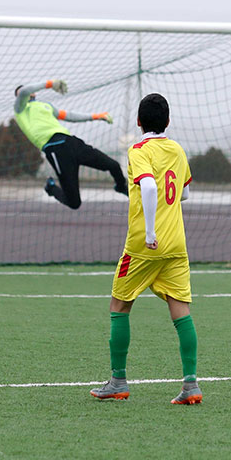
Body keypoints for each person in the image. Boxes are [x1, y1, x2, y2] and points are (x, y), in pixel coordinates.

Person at [89, 93, 201, 404]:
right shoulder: (177, 150)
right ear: (168, 121)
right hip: (176, 243)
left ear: (139, 122)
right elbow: (186, 194)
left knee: (119, 305)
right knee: (180, 308)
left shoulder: (138, 150)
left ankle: (118, 381)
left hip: (144, 245)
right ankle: (191, 385)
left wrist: (151, 230)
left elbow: (149, 185)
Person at [14, 79, 127, 209]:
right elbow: (24, 91)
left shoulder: (46, 106)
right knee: (74, 203)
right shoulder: (20, 109)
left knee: (113, 165)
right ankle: (51, 188)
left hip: (72, 143)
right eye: (21, 93)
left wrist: (96, 116)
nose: (28, 92)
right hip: (55, 150)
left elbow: (70, 115)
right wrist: (50, 84)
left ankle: (121, 187)